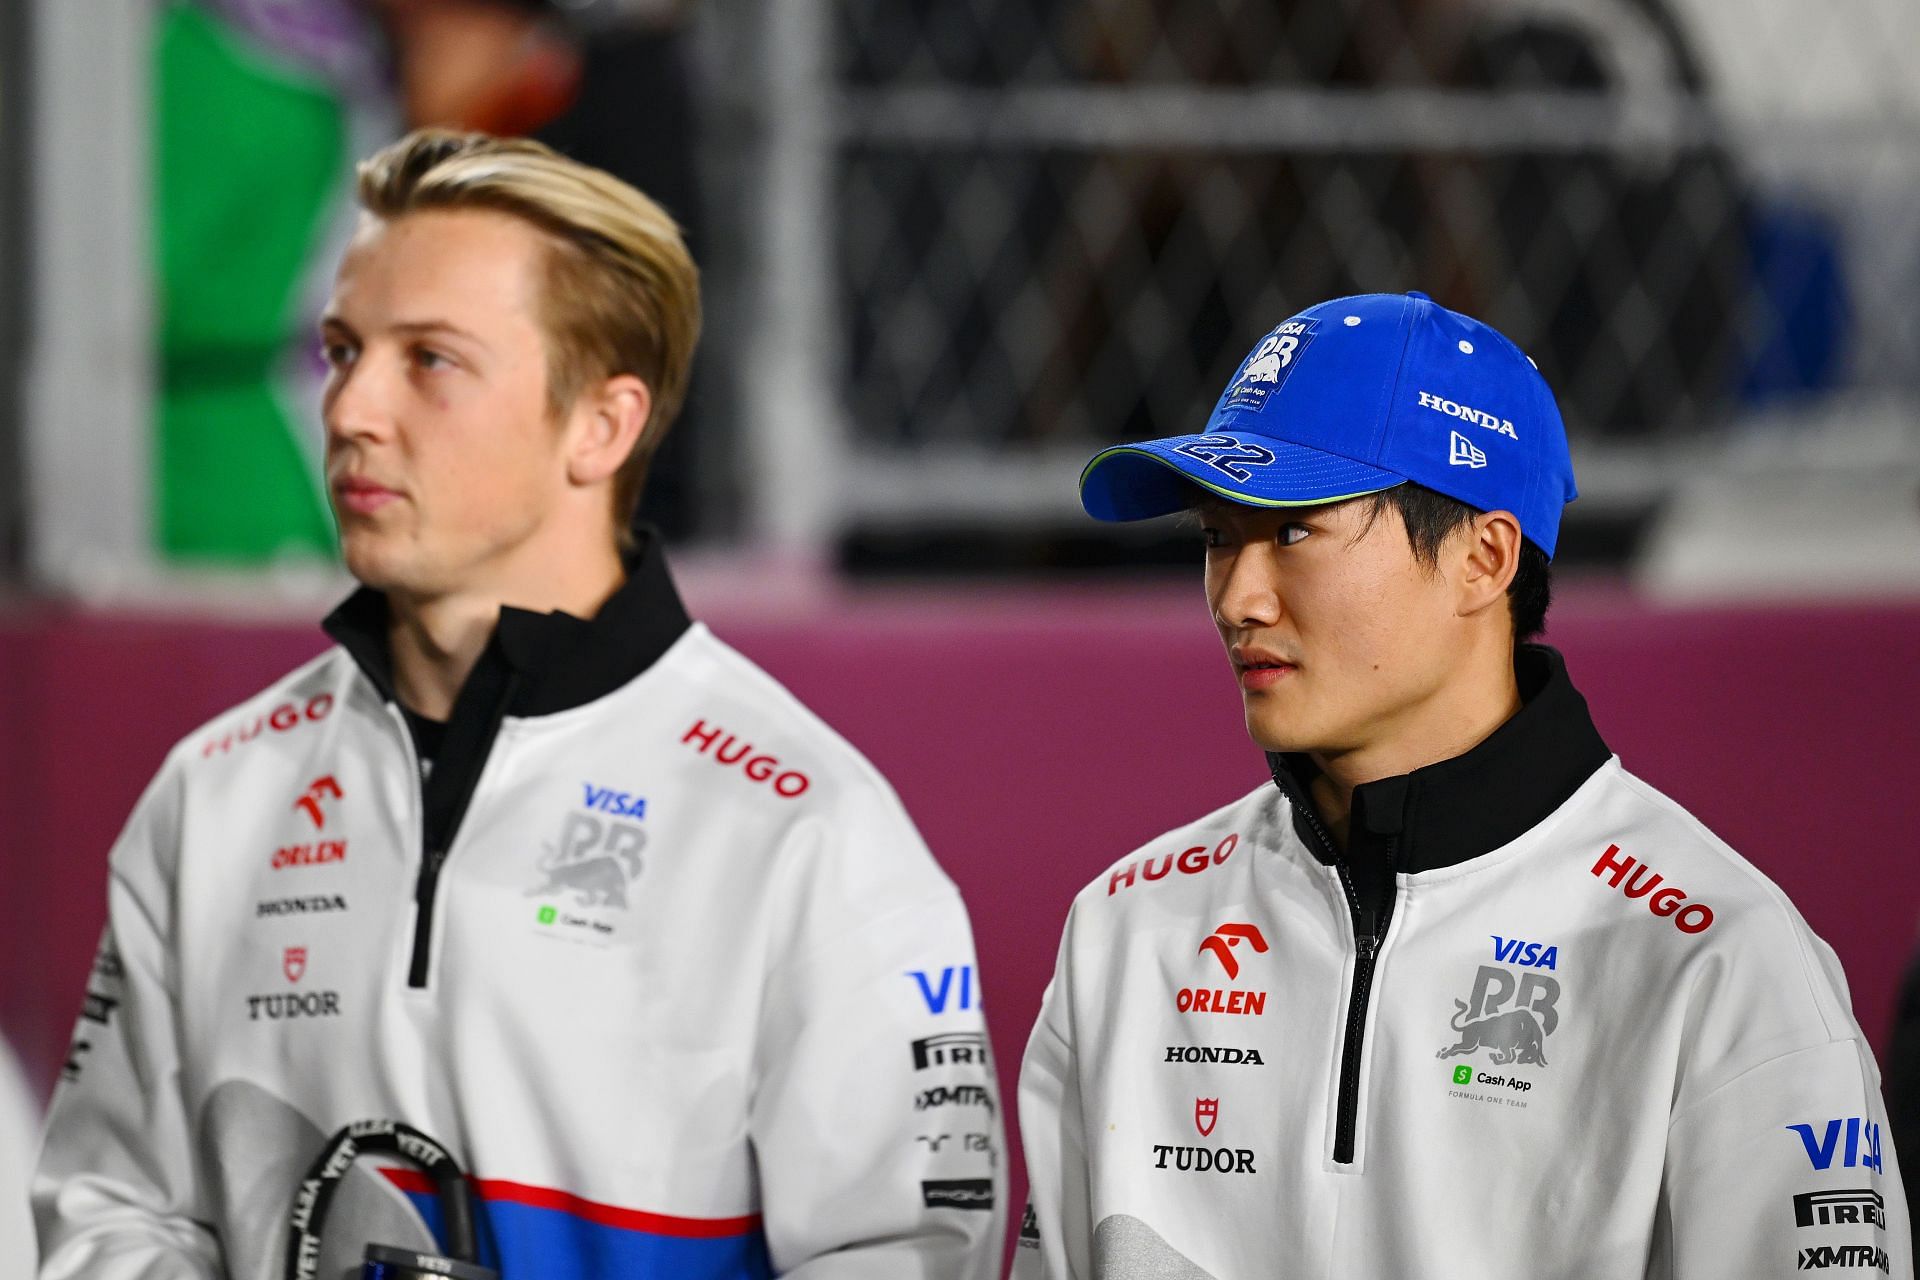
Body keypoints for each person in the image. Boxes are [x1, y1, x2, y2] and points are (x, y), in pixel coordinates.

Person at [35, 130, 1004, 1279]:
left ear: (603, 423)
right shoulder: (217, 788)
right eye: (343, 351)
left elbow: (903, 1252)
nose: (352, 412)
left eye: (430, 360)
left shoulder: (808, 827)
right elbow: (114, 1210)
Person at [1012, 290, 1909, 1278]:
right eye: (1219, 536)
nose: (1236, 596)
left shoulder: (1720, 958)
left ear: (1483, 558)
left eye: (1295, 530)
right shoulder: (1125, 929)